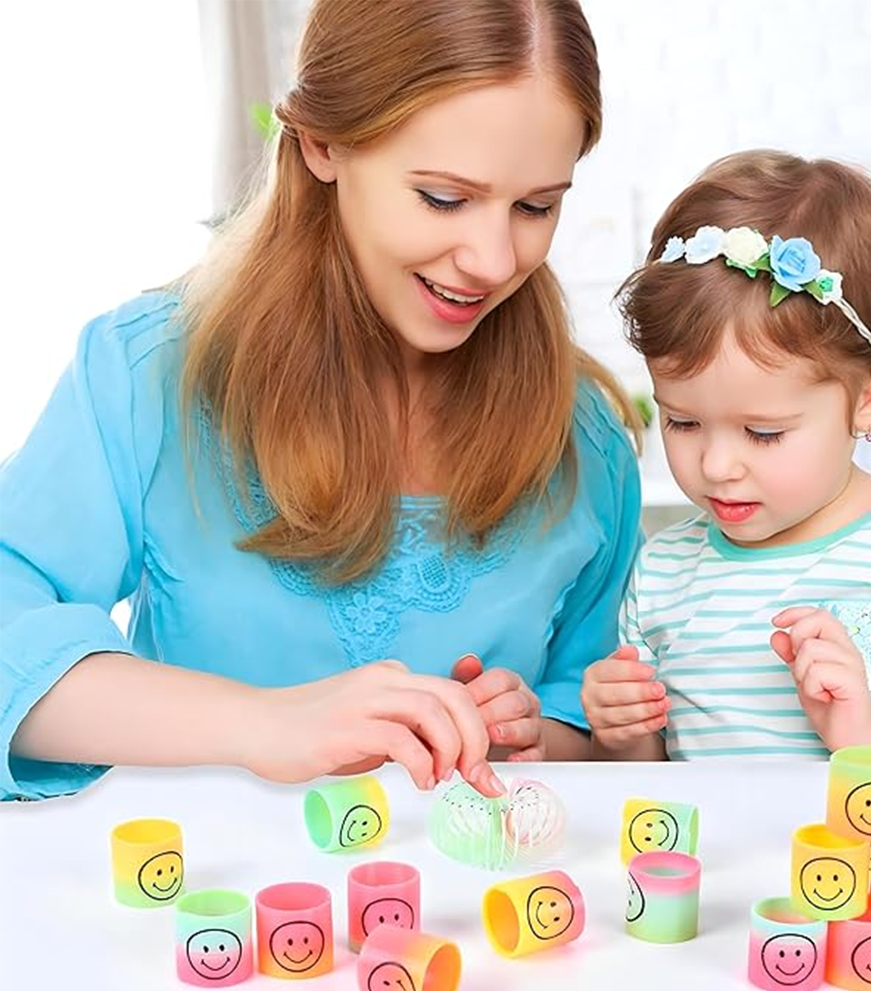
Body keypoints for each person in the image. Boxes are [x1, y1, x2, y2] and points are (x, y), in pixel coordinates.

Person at [0, 0, 642, 801]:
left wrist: (529, 734)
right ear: (322, 143)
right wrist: (266, 725)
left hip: (478, 919)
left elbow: (596, 730)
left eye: (536, 206)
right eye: (444, 198)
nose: (491, 259)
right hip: (209, 913)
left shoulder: (584, 441)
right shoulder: (146, 375)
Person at [581, 150, 871, 762]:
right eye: (683, 421)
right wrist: (625, 733)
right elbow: (653, 784)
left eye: (765, 433)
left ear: (869, 397)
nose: (717, 465)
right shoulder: (664, 570)